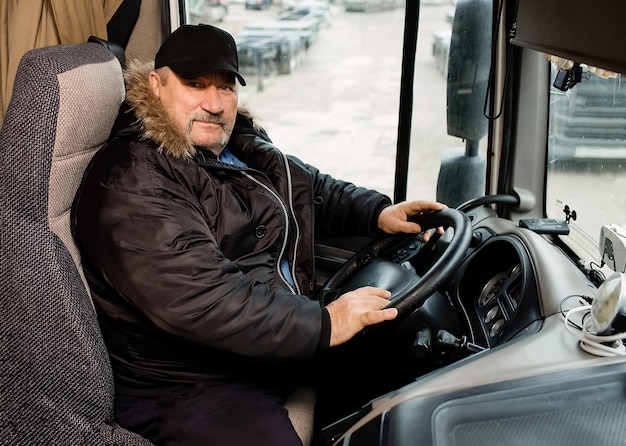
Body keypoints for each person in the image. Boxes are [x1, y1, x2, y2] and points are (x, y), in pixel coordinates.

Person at [71, 24, 446, 446]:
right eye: (195, 85)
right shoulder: (132, 177)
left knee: (403, 365)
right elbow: (201, 296)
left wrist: (378, 212)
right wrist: (324, 322)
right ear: (156, 85)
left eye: (226, 87)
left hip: (266, 344)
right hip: (190, 382)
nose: (214, 104)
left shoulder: (237, 144)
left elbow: (306, 187)